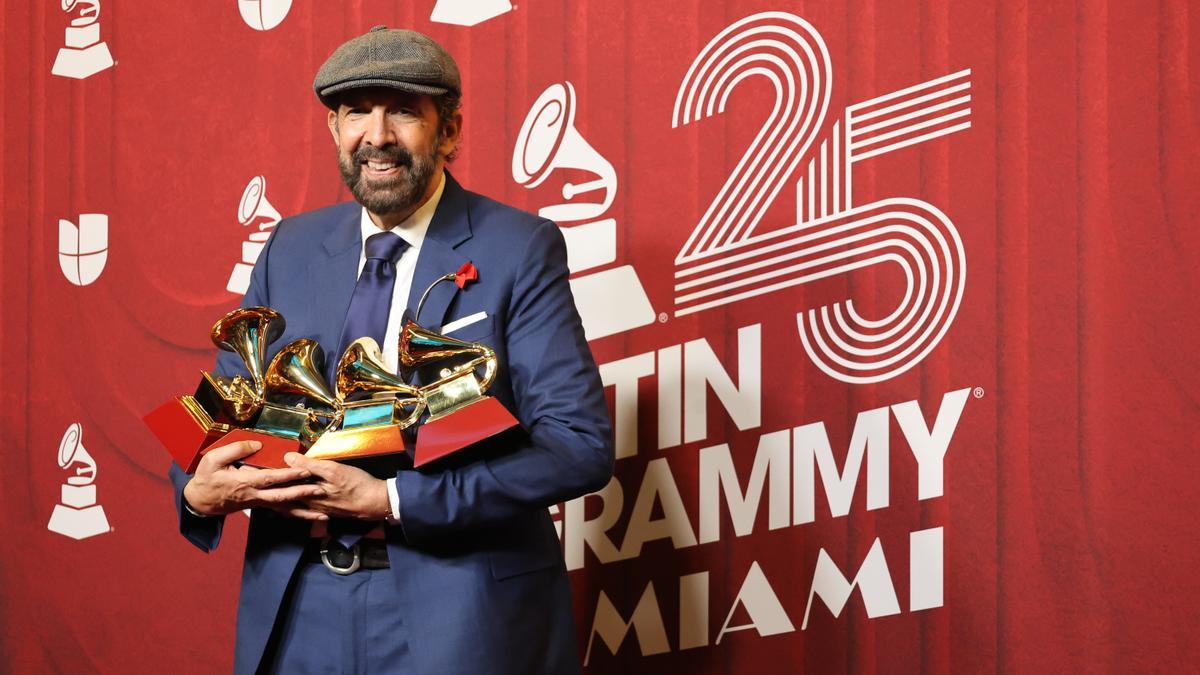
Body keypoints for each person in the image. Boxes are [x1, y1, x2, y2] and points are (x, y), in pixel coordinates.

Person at [167, 26, 614, 674]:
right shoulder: (288, 247)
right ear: (334, 129)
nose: (376, 135)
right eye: (357, 112)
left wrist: (395, 501)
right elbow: (217, 411)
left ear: (450, 130)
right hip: (299, 613)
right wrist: (194, 489)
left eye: (402, 109)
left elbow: (577, 446)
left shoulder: (519, 249)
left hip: (456, 613)